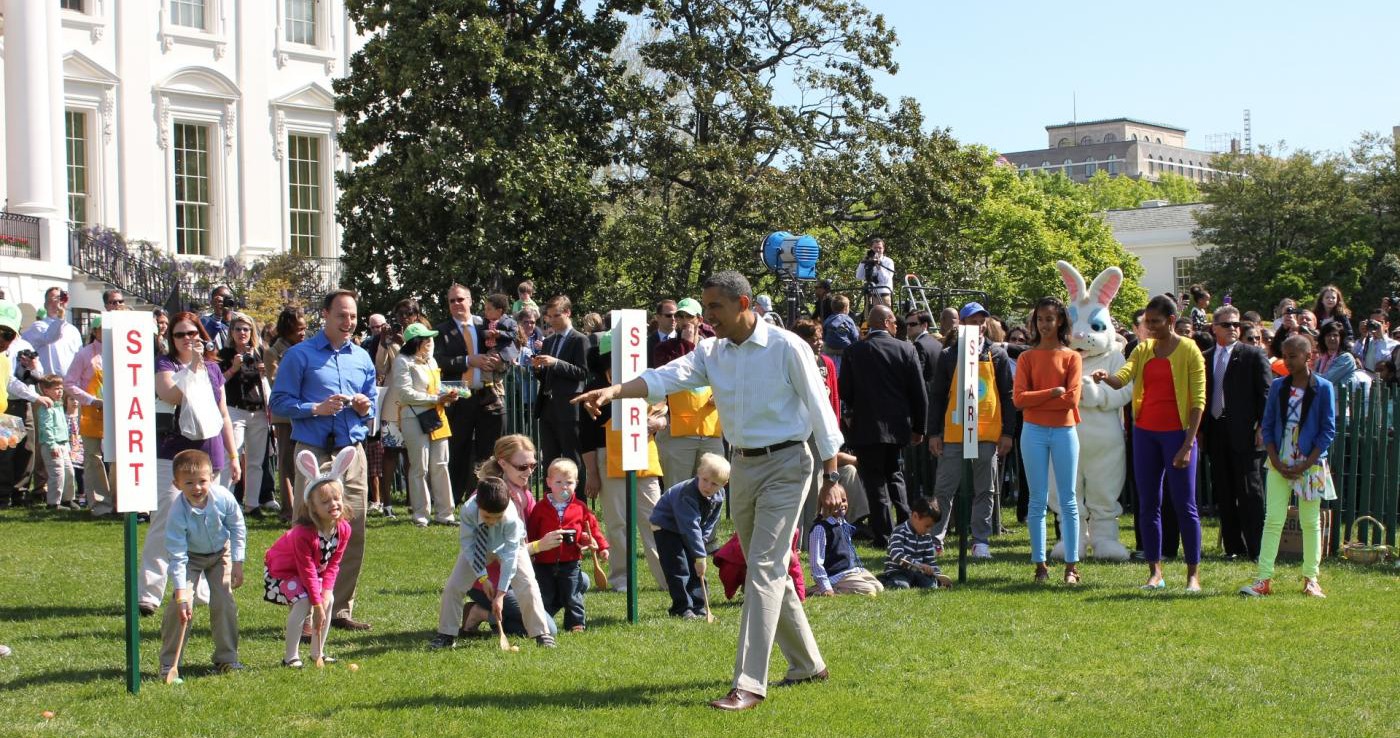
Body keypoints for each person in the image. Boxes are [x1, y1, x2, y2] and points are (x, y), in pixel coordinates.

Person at [573, 270, 842, 711]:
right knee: (768, 568)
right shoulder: (711, 351)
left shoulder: (786, 346)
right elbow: (665, 377)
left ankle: (749, 684)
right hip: (742, 466)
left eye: (715, 306)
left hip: (789, 465)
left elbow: (821, 412)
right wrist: (616, 390)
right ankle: (807, 664)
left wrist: (831, 478)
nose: (707, 316)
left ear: (744, 304)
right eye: (706, 307)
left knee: (764, 568)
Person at [269, 289, 377, 632]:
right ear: (325, 316)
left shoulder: (362, 357)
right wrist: (315, 408)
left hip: (351, 452)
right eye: (342, 315)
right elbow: (278, 403)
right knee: (309, 530)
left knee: (352, 528)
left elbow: (372, 402)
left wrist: (365, 406)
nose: (349, 322)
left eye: (353, 316)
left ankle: (339, 609)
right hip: (314, 451)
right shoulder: (299, 355)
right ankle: (305, 611)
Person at [1093, 294, 1205, 592]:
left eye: (1155, 322)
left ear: (1171, 320)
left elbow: (1198, 401)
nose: (1150, 327)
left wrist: (1188, 444)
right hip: (1145, 433)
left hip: (1178, 435)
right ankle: (1155, 572)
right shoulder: (1143, 349)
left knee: (1185, 505)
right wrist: (1106, 377)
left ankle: (1192, 575)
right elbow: (1123, 378)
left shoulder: (1190, 350)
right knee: (1148, 504)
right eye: (1147, 322)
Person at [141, 312, 240, 615]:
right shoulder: (165, 365)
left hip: (210, 453)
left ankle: (201, 592)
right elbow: (171, 395)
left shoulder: (213, 369)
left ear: (201, 335)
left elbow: (223, 414)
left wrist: (233, 455)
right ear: (171, 339)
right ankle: (149, 593)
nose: (187, 339)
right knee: (165, 519)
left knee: (209, 523)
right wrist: (194, 366)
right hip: (173, 453)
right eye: (180, 334)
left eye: (192, 333)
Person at [1241, 334, 1336, 598]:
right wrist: (1273, 457)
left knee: (1310, 522)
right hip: (1280, 459)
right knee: (1273, 519)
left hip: (1311, 461)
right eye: (1285, 356)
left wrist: (1308, 462)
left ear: (1309, 356)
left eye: (1293, 356)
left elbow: (1328, 430)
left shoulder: (1324, 387)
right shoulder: (1278, 386)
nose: (1288, 361)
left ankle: (1311, 579)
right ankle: (1263, 579)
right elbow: (1268, 424)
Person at [926, 302, 1017, 558]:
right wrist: (934, 433)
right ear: (962, 324)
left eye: (981, 321)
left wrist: (1007, 432)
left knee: (985, 489)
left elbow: (1007, 395)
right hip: (954, 433)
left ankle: (980, 541)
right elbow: (938, 396)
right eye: (973, 321)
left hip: (987, 432)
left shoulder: (996, 354)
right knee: (944, 488)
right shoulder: (948, 355)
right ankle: (935, 539)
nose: (978, 326)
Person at [579, 338, 667, 593]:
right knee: (617, 524)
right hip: (610, 460)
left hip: (645, 461)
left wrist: (659, 423)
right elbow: (586, 437)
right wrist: (592, 473)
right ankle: (621, 579)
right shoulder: (594, 389)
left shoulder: (646, 382)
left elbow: (663, 413)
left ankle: (668, 577)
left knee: (656, 520)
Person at [429, 476, 556, 650]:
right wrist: (483, 577)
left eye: (498, 517)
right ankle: (446, 635)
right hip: (478, 548)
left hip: (509, 547)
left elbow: (510, 556)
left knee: (528, 584)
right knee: (453, 586)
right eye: (487, 516)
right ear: (478, 506)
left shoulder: (510, 517)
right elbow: (468, 546)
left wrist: (501, 594)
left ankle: (542, 634)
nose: (492, 521)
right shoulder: (468, 510)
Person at [838, 305, 927, 548]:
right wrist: (919, 428)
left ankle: (884, 534)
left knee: (875, 480)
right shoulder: (906, 349)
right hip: (898, 427)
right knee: (895, 476)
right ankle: (907, 527)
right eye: (895, 322)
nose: (897, 326)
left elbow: (845, 390)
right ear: (886, 322)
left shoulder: (854, 351)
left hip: (866, 427)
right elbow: (919, 393)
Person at [263, 448, 356, 667]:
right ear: (312, 507)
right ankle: (290, 657)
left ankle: (317, 653)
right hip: (283, 572)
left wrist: (326, 594)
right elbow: (305, 569)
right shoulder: (303, 534)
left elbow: (333, 564)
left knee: (328, 600)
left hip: (313, 572)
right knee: (304, 601)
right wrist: (316, 603)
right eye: (325, 502)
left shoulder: (343, 529)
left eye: (336, 499)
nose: (333, 504)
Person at [1013, 297, 1083, 584]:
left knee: (1068, 500)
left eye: (1049, 319)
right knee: (1037, 499)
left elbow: (1072, 399)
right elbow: (1019, 399)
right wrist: (1052, 393)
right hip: (1034, 431)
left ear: (1060, 321)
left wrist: (1038, 399)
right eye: (1040, 319)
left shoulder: (1072, 357)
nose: (1044, 324)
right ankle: (1040, 564)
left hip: (1064, 431)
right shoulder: (1026, 358)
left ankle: (1071, 566)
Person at [159, 450, 247, 678]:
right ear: (177, 484)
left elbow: (237, 527)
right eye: (189, 483)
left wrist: (237, 562)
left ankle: (227, 658)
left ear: (211, 478)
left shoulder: (223, 497)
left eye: (202, 481)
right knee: (180, 606)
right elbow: (177, 555)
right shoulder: (176, 513)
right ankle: (169, 663)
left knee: (223, 601)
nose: (197, 488)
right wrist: (181, 593)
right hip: (190, 557)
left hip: (220, 553)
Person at [1203, 305, 1273, 560]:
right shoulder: (1205, 357)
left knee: (1249, 491)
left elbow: (1266, 393)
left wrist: (1262, 427)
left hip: (1246, 432)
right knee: (1223, 490)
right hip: (1215, 429)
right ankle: (1233, 547)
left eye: (1236, 324)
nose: (1233, 328)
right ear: (1215, 328)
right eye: (1227, 324)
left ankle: (1257, 548)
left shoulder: (1253, 354)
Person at [434, 284, 506, 504]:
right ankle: (453, 500)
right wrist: (468, 360)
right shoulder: (442, 330)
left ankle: (485, 497)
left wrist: (499, 361)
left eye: (460, 299)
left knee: (488, 450)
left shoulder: (487, 325)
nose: (456, 304)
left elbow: (507, 352)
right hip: (458, 397)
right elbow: (439, 361)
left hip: (487, 395)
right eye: (452, 301)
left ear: (471, 301)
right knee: (457, 449)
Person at [384, 323, 459, 527]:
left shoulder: (431, 360)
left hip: (437, 415)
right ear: (415, 342)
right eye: (426, 339)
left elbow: (436, 389)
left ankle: (445, 514)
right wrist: (436, 398)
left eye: (430, 338)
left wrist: (448, 395)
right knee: (420, 467)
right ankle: (421, 515)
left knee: (441, 465)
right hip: (413, 417)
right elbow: (405, 393)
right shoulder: (402, 361)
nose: (430, 342)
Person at [527, 458, 607, 632]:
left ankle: (575, 623)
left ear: (576, 483)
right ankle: (543, 621)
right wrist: (531, 551)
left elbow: (593, 528)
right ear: (549, 482)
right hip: (544, 561)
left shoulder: (580, 507)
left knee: (572, 594)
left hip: (571, 560)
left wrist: (602, 547)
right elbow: (532, 530)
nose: (564, 487)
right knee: (545, 594)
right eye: (559, 482)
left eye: (569, 483)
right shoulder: (540, 508)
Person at [653, 298, 724, 490]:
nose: (684, 321)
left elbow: (728, 374)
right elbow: (677, 375)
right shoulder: (664, 349)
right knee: (678, 491)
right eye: (680, 316)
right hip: (677, 433)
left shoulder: (715, 347)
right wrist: (686, 343)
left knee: (712, 490)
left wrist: (720, 394)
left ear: (699, 319)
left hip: (711, 431)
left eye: (689, 316)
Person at [650, 453, 728, 619]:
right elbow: (690, 526)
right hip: (667, 527)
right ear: (698, 473)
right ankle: (682, 608)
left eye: (714, 484)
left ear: (724, 484)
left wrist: (701, 544)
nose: (708, 486)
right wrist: (700, 555)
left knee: (696, 570)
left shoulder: (719, 495)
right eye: (705, 480)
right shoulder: (687, 494)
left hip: (688, 530)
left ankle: (699, 607)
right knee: (679, 568)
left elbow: (710, 522)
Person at [218, 312, 272, 515]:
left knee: (256, 461)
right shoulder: (225, 354)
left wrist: (265, 373)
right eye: (238, 329)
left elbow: (271, 380)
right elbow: (217, 383)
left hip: (258, 411)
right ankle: (226, 503)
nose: (242, 333)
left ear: (252, 332)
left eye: (246, 329)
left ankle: (252, 504)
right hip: (234, 410)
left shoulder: (260, 352)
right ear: (231, 332)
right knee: (231, 457)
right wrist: (233, 368)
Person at [64, 318, 114, 517]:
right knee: (94, 458)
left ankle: (120, 501)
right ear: (95, 331)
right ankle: (100, 504)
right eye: (102, 329)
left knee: (118, 458)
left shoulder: (122, 352)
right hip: (92, 412)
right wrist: (91, 400)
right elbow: (69, 383)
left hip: (117, 412)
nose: (107, 332)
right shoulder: (84, 354)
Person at [533, 295, 589, 467]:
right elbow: (546, 376)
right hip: (547, 407)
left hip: (569, 408)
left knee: (572, 458)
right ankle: (549, 486)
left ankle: (577, 487)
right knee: (549, 459)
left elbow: (582, 372)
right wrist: (538, 368)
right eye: (549, 316)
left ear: (567, 313)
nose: (552, 321)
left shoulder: (579, 339)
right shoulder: (549, 341)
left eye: (556, 315)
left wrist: (556, 363)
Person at [265, 307, 307, 520]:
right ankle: (288, 509)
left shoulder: (307, 348)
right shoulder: (273, 352)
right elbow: (275, 382)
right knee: (286, 461)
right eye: (299, 329)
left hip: (306, 412)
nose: (303, 333)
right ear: (288, 329)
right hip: (285, 415)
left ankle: (306, 505)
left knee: (305, 459)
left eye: (305, 328)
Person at [808, 483, 883, 596]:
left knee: (878, 587)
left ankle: (841, 586)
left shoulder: (843, 523)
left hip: (851, 572)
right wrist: (825, 587)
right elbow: (816, 563)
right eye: (837, 501)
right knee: (869, 590)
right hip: (836, 575)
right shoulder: (820, 528)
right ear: (825, 503)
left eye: (844, 500)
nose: (841, 504)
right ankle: (820, 590)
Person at [877, 497, 951, 590]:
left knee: (931, 586)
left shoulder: (926, 537)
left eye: (931, 527)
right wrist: (919, 565)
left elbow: (930, 561)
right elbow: (897, 555)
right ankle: (885, 580)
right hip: (898, 572)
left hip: (918, 574)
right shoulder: (899, 531)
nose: (929, 530)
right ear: (915, 516)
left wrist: (937, 575)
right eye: (927, 526)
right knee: (901, 586)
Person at [21, 287, 81, 378]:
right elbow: (50, 337)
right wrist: (60, 317)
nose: (58, 302)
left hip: (69, 383)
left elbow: (79, 358)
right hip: (47, 383)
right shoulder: (38, 326)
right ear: (45, 305)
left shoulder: (73, 330)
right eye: (54, 299)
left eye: (60, 298)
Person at [35, 375, 75, 509]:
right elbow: (46, 428)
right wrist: (52, 445)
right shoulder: (47, 407)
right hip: (52, 445)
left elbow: (63, 428)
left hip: (63, 444)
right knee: (57, 474)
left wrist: (67, 445)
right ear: (46, 391)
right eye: (56, 389)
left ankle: (67, 499)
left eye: (61, 389)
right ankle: (53, 503)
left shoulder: (59, 405)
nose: (60, 392)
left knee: (69, 472)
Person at [1315, 321, 1360, 394]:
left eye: (1335, 335)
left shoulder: (1346, 358)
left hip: (1341, 399)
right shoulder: (1320, 360)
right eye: (1328, 335)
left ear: (1341, 338)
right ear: (1323, 338)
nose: (1332, 338)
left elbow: (1327, 379)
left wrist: (1307, 374)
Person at [820, 295, 858, 372]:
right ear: (846, 308)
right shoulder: (848, 320)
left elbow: (823, 333)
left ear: (832, 308)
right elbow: (855, 336)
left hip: (829, 350)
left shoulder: (828, 319)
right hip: (845, 350)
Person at [855, 237, 894, 308]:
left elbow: (886, 280)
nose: (877, 250)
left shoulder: (888, 261)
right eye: (875, 248)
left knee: (883, 314)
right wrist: (863, 262)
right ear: (871, 249)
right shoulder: (868, 260)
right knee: (868, 314)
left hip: (883, 295)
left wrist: (878, 266)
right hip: (869, 296)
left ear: (883, 249)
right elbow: (859, 276)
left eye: (880, 248)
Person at [648, 299, 678, 367]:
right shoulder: (647, 342)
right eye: (668, 315)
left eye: (676, 315)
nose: (673, 319)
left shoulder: (683, 340)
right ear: (658, 317)